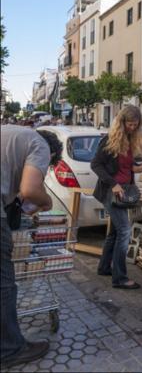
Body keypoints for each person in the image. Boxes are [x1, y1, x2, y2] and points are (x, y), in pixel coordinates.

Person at [1, 125, 63, 369]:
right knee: (4, 283)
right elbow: (30, 189)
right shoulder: (40, 145)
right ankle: (9, 349)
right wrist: (46, 201)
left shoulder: (13, 136)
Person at [91, 105, 142, 289]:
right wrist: (113, 184)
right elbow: (96, 165)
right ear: (122, 122)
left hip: (124, 190)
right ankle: (120, 278)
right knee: (124, 231)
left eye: (135, 125)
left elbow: (125, 165)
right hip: (111, 191)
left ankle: (104, 267)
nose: (132, 127)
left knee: (115, 232)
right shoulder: (109, 140)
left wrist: (137, 167)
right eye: (130, 124)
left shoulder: (131, 140)